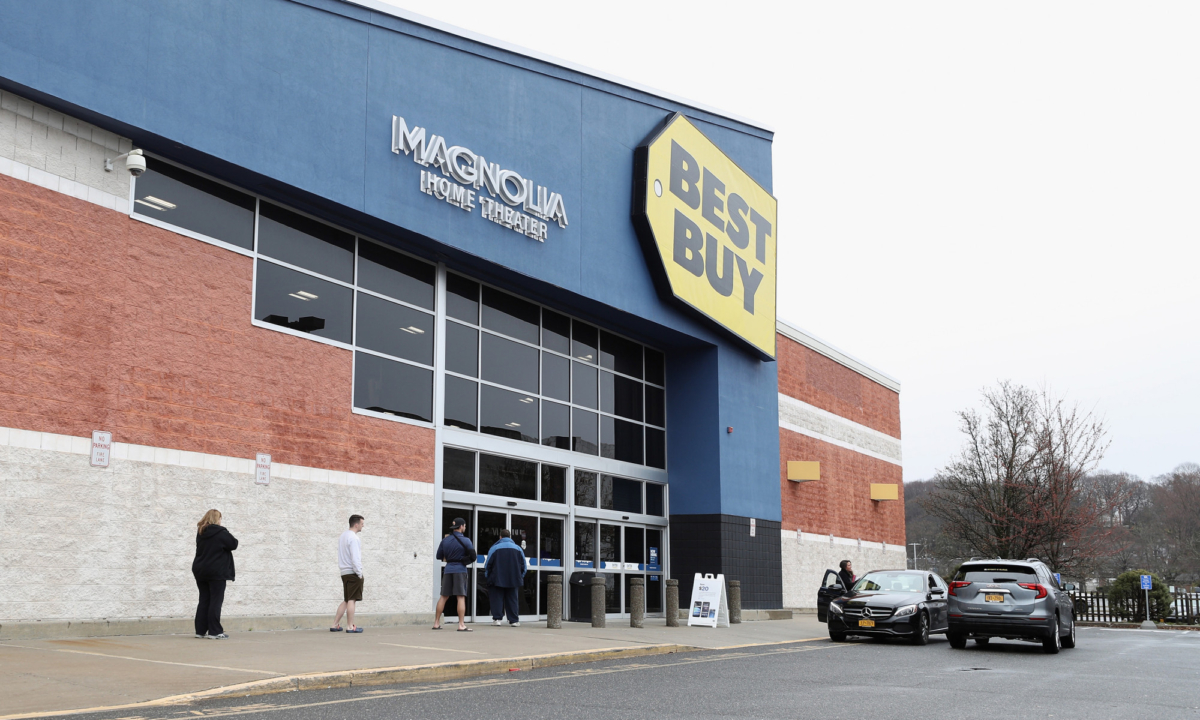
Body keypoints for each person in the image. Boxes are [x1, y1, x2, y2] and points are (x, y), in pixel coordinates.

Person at [192, 509, 238, 639]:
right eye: (220, 518)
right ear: (217, 519)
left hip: (200, 569)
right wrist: (224, 530)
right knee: (215, 600)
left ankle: (200, 631)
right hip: (216, 571)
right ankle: (215, 631)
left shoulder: (201, 532)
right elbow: (234, 544)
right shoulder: (221, 532)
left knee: (204, 599)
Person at [434, 517, 475, 631]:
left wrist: (450, 558)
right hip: (460, 570)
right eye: (464, 526)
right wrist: (463, 560)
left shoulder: (445, 540)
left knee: (443, 596)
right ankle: (461, 625)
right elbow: (473, 556)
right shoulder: (466, 540)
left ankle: (436, 623)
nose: (465, 528)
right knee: (460, 597)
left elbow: (438, 556)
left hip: (448, 570)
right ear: (461, 526)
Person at [484, 528, 527, 626]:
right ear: (510, 537)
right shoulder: (518, 548)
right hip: (513, 578)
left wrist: (488, 576)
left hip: (497, 578)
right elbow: (524, 566)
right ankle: (514, 620)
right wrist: (520, 577)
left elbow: (488, 565)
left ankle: (497, 619)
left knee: (497, 599)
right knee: (512, 599)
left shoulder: (494, 548)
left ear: (500, 537)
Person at [332, 514, 365, 633]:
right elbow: (355, 558)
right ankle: (350, 626)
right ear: (356, 524)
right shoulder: (354, 538)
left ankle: (335, 624)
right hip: (352, 572)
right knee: (352, 599)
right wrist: (359, 573)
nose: (363, 526)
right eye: (362, 524)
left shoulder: (343, 536)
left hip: (344, 572)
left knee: (346, 600)